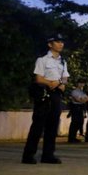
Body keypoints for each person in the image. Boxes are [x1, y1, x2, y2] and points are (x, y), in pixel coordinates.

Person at [23, 34, 69, 164]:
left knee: (52, 126)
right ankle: (28, 155)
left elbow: (65, 78)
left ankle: (48, 155)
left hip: (56, 95)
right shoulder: (42, 60)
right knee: (38, 126)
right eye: (57, 42)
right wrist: (51, 83)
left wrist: (59, 82)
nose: (61, 44)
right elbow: (38, 78)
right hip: (44, 94)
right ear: (50, 44)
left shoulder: (62, 61)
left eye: (62, 42)